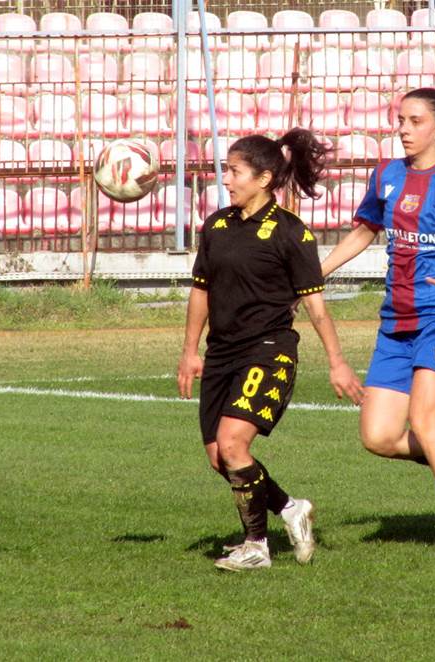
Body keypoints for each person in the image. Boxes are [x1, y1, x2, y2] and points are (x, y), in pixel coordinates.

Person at [177, 128, 363, 572]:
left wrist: (337, 363)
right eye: (226, 170)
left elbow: (316, 307)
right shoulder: (217, 226)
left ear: (263, 179)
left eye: (235, 172)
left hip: (268, 350)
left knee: (233, 445)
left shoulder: (291, 233)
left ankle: (256, 546)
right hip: (221, 353)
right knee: (220, 458)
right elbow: (201, 290)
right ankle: (290, 508)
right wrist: (190, 350)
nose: (226, 179)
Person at [321, 88, 435, 556]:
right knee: (378, 436)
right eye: (400, 120)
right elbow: (363, 231)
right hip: (395, 321)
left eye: (415, 121)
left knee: (425, 421)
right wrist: (316, 273)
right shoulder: (387, 175)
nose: (403, 129)